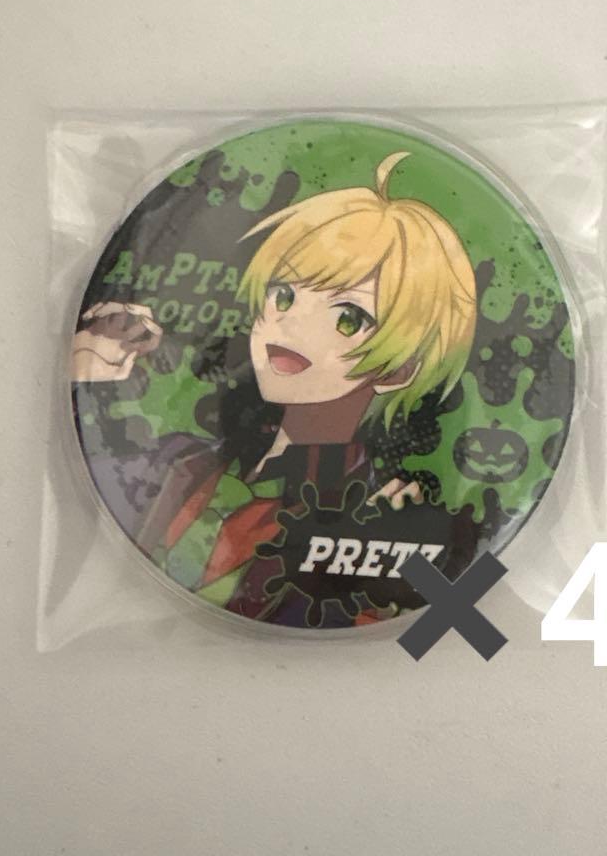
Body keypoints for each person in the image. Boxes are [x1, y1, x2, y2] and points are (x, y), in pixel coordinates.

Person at [72, 151, 477, 625]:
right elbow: (96, 495)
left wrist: (395, 575)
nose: (292, 323)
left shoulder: (374, 517)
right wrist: (88, 374)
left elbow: (469, 635)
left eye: (349, 317)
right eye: (283, 295)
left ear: (398, 370)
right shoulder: (181, 460)